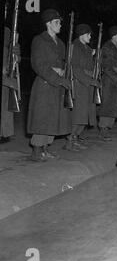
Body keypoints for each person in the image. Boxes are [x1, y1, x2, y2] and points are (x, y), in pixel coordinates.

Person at [27, 9, 72, 161]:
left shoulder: (60, 43)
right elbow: (38, 65)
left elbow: (64, 64)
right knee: (43, 118)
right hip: (45, 85)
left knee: (53, 118)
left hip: (57, 86)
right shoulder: (39, 40)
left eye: (60, 22)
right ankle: (36, 151)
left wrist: (64, 72)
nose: (60, 25)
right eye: (57, 22)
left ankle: (45, 148)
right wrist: (58, 77)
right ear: (48, 24)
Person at [68, 23, 100, 150]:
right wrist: (90, 81)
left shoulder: (86, 48)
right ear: (81, 35)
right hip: (80, 85)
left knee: (85, 115)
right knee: (78, 115)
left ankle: (75, 137)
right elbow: (75, 68)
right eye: (88, 34)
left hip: (87, 85)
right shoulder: (75, 47)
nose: (90, 37)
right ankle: (70, 141)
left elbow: (91, 67)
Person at [97, 25, 117, 141]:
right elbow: (106, 66)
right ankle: (103, 130)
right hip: (110, 81)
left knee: (113, 105)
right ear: (113, 36)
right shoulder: (107, 47)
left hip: (115, 81)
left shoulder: (116, 48)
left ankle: (107, 129)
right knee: (107, 105)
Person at [1, 27, 20, 143]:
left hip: (6, 77)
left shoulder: (8, 31)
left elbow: (16, 60)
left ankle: (4, 134)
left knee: (6, 107)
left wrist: (16, 52)